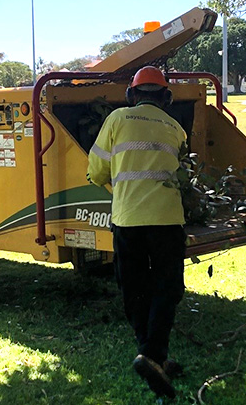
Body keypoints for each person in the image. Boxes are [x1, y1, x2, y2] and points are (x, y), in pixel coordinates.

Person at [87, 66, 186, 398]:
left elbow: (95, 168)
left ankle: (151, 355)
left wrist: (113, 186)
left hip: (128, 220)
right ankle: (154, 356)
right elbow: (184, 174)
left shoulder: (117, 119)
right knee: (166, 288)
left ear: (132, 95)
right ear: (166, 98)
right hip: (168, 220)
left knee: (134, 288)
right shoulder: (176, 128)